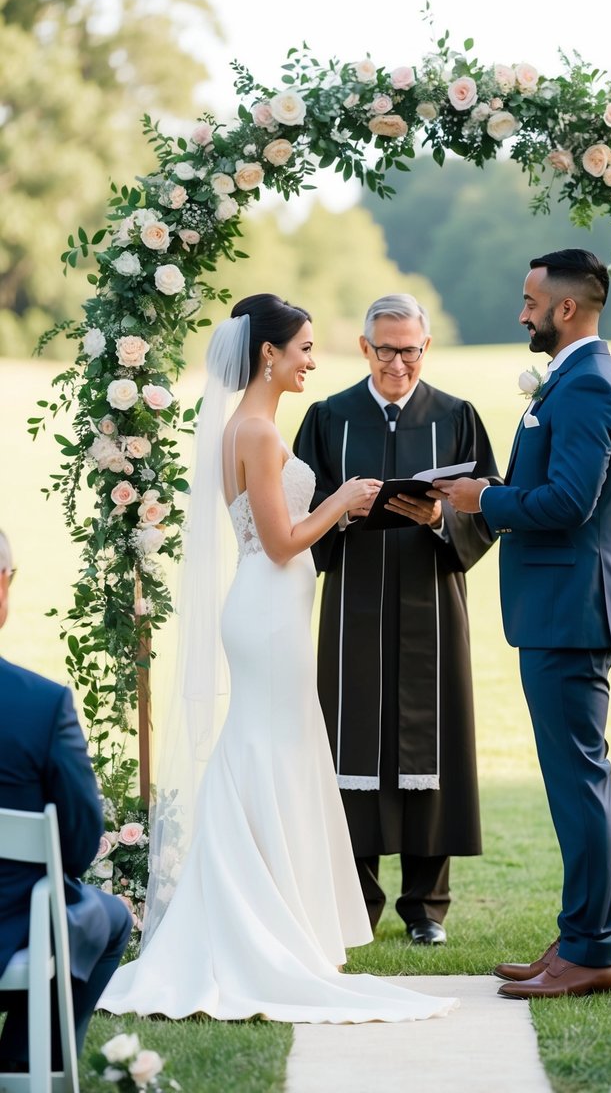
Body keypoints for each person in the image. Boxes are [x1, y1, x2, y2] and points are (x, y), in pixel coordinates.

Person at [98, 294, 457, 1022]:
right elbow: (283, 539)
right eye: (302, 348)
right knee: (265, 752)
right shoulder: (256, 432)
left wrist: (337, 506)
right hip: (266, 609)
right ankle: (253, 923)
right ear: (268, 353)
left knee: (281, 753)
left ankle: (278, 917)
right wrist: (346, 500)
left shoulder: (254, 427)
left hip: (277, 608)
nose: (311, 361)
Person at [436, 249, 611, 995]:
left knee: (577, 782)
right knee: (571, 781)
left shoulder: (585, 387)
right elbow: (550, 489)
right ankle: (575, 938)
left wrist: (481, 501)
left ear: (565, 309)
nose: (519, 312)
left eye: (529, 300)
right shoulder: (575, 379)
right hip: (558, 612)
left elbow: (566, 503)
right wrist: (493, 488)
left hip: (570, 614)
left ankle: (591, 953)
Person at [294, 294, 499, 945]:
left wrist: (442, 519)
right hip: (352, 602)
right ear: (363, 348)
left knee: (427, 745)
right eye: (385, 349)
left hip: (429, 604)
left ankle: (425, 908)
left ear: (426, 347)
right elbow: (295, 509)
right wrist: (341, 511)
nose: (398, 363)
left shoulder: (456, 417)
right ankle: (357, 900)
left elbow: (489, 503)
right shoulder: (329, 419)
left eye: (410, 349)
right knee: (349, 741)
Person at [0, 529, 132, 1073]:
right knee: (111, 916)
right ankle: (27, 1062)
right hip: (10, 926)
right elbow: (77, 847)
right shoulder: (40, 705)